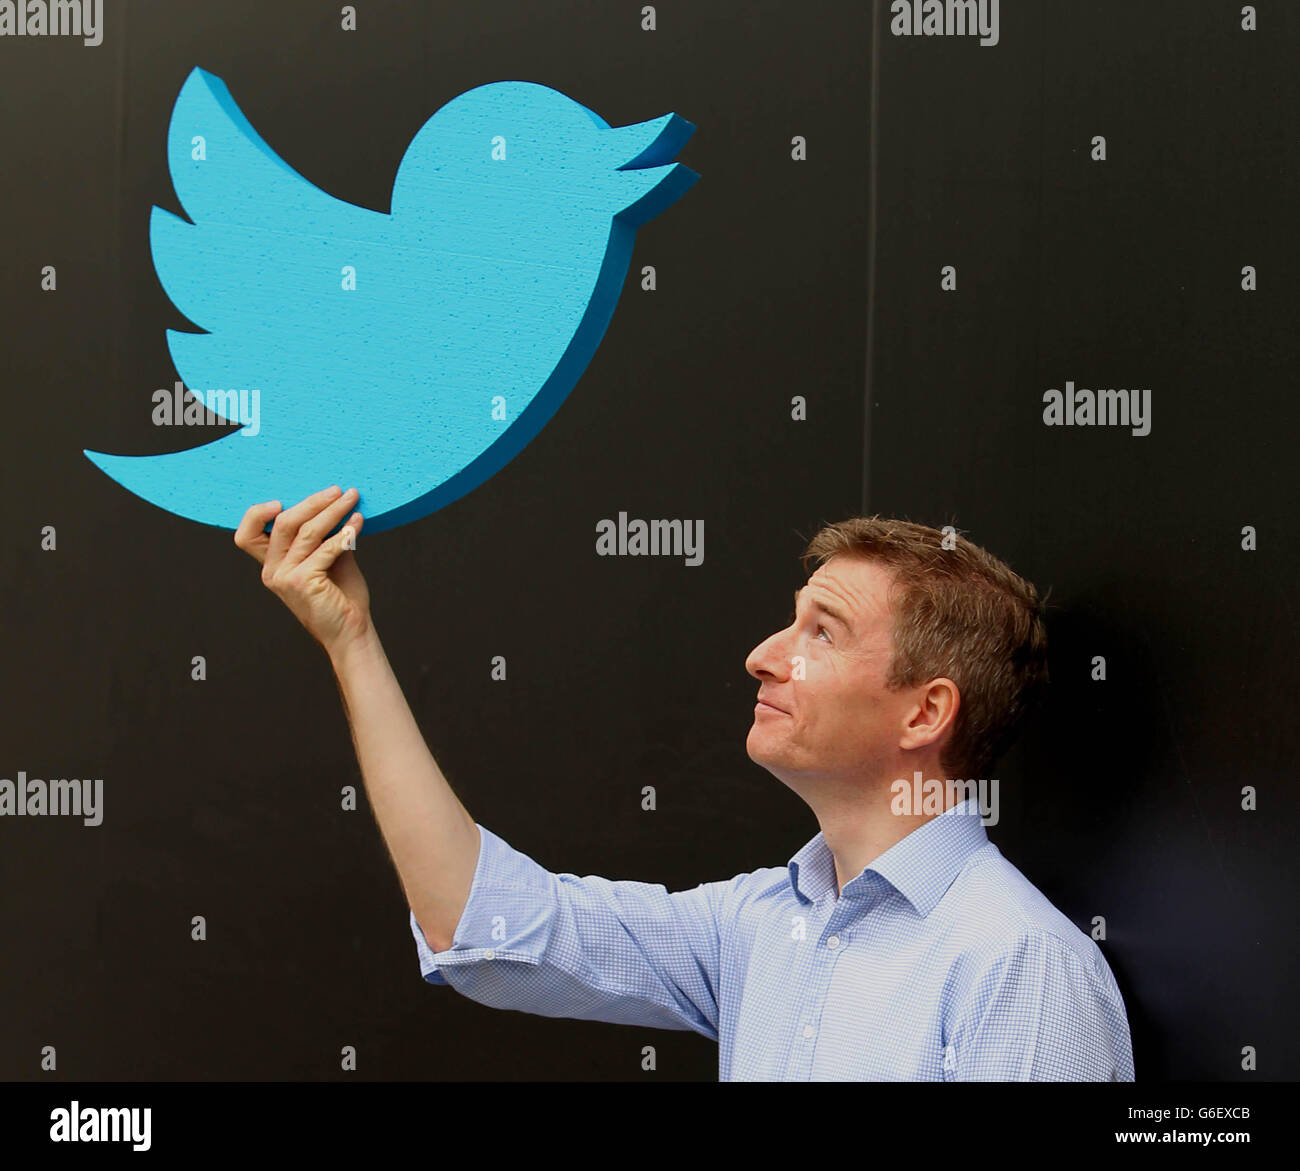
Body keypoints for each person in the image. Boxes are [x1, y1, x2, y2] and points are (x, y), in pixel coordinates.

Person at [234, 487, 1134, 1081]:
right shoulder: (760, 926)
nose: (763, 655)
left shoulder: (1024, 967)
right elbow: (483, 924)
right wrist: (350, 640)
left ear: (924, 713)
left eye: (821, 632)